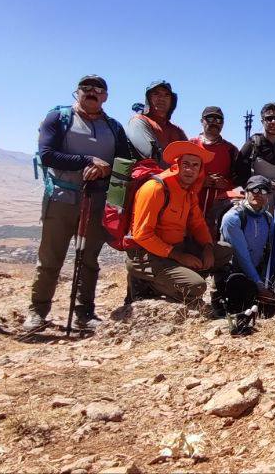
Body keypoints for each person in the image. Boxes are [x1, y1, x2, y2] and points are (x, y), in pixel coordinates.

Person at [24, 75, 134, 332]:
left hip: (97, 200)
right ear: (77, 92)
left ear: (105, 96)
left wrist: (105, 170)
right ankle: (37, 312)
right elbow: (47, 155)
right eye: (86, 87)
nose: (91, 92)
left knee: (89, 259)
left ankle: (84, 313)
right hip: (61, 198)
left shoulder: (114, 127)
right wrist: (87, 160)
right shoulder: (58, 118)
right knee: (51, 258)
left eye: (98, 89)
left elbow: (125, 163)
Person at [126, 140, 233, 306]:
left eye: (195, 165)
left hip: (175, 249)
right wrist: (179, 256)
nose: (190, 169)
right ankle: (148, 283)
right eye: (186, 164)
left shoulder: (189, 191)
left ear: (200, 170)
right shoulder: (155, 188)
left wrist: (207, 248)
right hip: (147, 255)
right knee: (197, 287)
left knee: (224, 251)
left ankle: (179, 277)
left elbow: (198, 224)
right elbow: (142, 235)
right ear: (177, 165)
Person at [216, 175, 275, 313]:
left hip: (256, 274)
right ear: (246, 192)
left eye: (263, 191)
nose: (258, 194)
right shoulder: (233, 218)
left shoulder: (268, 218)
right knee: (242, 302)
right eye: (254, 190)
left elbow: (270, 251)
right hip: (234, 273)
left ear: (268, 196)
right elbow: (242, 256)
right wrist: (259, 285)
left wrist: (265, 280)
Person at [191, 106, 239, 237]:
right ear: (202, 121)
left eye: (219, 120)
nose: (214, 123)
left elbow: (239, 182)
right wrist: (201, 181)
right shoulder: (190, 145)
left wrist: (226, 184)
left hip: (219, 211)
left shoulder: (231, 150)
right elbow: (177, 176)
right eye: (210, 119)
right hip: (191, 208)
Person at [125, 80, 187, 166]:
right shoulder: (138, 121)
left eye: (166, 95)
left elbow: (191, 157)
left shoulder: (177, 130)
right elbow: (152, 155)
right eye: (156, 94)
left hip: (176, 173)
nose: (161, 98)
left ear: (171, 101)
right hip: (150, 174)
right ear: (149, 98)